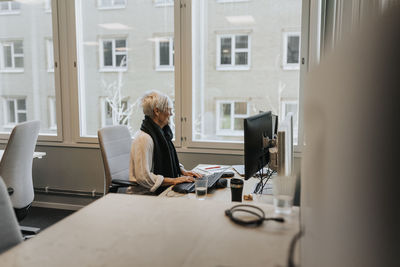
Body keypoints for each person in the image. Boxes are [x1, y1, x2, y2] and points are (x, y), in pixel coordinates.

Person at [128, 90, 201, 195]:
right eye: (169, 110)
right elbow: (144, 177)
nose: (171, 114)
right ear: (157, 111)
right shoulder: (144, 139)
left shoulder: (161, 134)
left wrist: (181, 170)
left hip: (157, 190)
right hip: (145, 195)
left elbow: (165, 158)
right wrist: (174, 180)